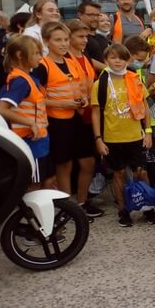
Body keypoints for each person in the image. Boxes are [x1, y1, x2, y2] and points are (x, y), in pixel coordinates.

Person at [91, 44, 155, 227]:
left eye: (121, 58)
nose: (117, 61)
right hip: (112, 138)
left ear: (128, 60)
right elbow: (95, 113)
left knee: (141, 172)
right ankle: (123, 210)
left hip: (135, 135)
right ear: (106, 61)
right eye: (112, 57)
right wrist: (98, 139)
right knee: (119, 174)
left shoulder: (135, 79)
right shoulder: (100, 84)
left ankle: (148, 208)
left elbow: (144, 107)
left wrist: (148, 131)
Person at [32, 22, 88, 201]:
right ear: (47, 42)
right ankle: (63, 205)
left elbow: (78, 86)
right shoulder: (42, 66)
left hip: (73, 119)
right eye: (58, 40)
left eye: (65, 39)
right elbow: (36, 99)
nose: (63, 44)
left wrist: (83, 99)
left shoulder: (71, 62)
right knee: (61, 166)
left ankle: (71, 205)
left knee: (70, 164)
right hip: (55, 121)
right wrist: (64, 103)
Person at [0, 36, 52, 188]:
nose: (40, 57)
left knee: (43, 181)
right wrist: (31, 123)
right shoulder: (20, 81)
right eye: (36, 53)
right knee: (34, 184)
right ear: (20, 55)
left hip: (37, 139)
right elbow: (2, 108)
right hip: (29, 140)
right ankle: (32, 212)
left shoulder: (28, 78)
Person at [65, 19, 104, 217]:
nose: (85, 40)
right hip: (71, 116)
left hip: (88, 115)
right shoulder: (64, 58)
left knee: (88, 162)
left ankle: (81, 202)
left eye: (86, 36)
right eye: (80, 36)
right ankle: (69, 207)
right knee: (67, 164)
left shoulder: (84, 55)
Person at [76, 1, 109, 72]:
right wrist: (110, 69)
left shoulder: (102, 38)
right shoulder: (75, 37)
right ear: (80, 15)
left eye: (97, 15)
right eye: (91, 15)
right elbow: (85, 59)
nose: (95, 18)